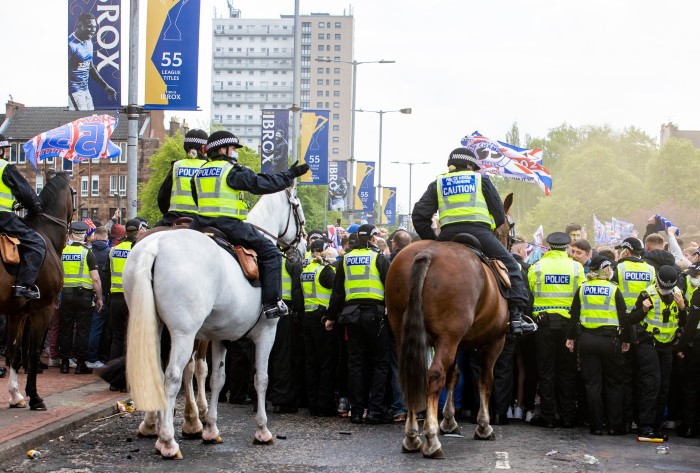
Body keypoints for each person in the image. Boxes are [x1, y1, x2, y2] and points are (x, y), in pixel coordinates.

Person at [411, 147, 536, 335]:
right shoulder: (481, 179)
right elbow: (498, 212)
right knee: (513, 267)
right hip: (480, 233)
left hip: (448, 236)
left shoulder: (438, 183)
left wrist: (434, 241)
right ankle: (517, 318)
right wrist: (491, 226)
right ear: (470, 165)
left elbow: (419, 215)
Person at [192, 130, 309, 319]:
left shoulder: (199, 172)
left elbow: (197, 198)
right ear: (223, 149)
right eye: (233, 148)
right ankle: (272, 304)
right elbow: (260, 184)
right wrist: (290, 175)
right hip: (228, 225)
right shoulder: (231, 171)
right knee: (271, 253)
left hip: (199, 224)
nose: (235, 152)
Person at [324, 224, 392, 424]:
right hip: (376, 316)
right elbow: (390, 287)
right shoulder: (379, 258)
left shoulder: (345, 259)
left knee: (355, 364)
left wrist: (330, 316)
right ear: (372, 239)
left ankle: (356, 411)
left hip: (351, 316)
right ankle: (375, 411)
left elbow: (337, 292)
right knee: (380, 362)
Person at [566, 256, 630, 435]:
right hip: (610, 341)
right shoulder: (613, 289)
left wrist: (570, 337)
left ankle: (596, 426)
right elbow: (623, 318)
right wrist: (626, 339)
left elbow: (574, 315)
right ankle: (614, 426)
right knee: (614, 383)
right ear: (605, 271)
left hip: (586, 340)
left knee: (592, 384)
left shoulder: (583, 289)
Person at [528, 232, 585, 428]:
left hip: (543, 325)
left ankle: (548, 417)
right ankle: (568, 416)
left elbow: (532, 293)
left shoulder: (537, 267)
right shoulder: (577, 268)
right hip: (568, 327)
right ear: (567, 247)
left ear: (549, 246)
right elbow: (581, 297)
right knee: (567, 371)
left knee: (546, 371)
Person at [629, 265, 687, 438]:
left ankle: (656, 425)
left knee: (664, 386)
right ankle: (645, 425)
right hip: (648, 342)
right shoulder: (647, 293)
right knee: (651, 383)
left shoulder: (678, 294)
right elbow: (632, 318)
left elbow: (683, 322)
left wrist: (683, 308)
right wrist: (644, 310)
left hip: (667, 345)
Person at [612, 236, 656, 432]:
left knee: (625, 375)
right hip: (645, 326)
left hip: (624, 325)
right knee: (643, 376)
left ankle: (626, 420)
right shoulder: (650, 269)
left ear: (627, 251)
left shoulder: (619, 269)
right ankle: (642, 419)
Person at [0, 134, 45, 299]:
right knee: (37, 244)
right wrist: (36, 207)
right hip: (3, 220)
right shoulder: (5, 167)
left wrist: (13, 205)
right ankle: (23, 285)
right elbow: (25, 192)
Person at [104, 219, 147, 384]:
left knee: (116, 338)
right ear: (138, 232)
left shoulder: (113, 250)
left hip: (115, 298)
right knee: (130, 339)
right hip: (132, 299)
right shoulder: (139, 251)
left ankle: (113, 379)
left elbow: (106, 275)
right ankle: (126, 379)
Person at [58, 221, 103, 375]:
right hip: (84, 296)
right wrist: (100, 298)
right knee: (82, 330)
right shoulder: (88, 253)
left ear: (71, 234)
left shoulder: (62, 252)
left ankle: (64, 363)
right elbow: (95, 279)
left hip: (66, 295)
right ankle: (80, 364)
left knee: (65, 330)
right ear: (84, 235)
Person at [300, 239, 338, 416]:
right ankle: (324, 405)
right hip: (323, 321)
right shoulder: (325, 271)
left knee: (311, 363)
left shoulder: (306, 270)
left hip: (308, 319)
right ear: (321, 251)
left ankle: (312, 403)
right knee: (326, 363)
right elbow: (337, 289)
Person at [156, 129, 209, 227]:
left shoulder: (177, 166)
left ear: (185, 147)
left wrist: (166, 214)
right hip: (201, 219)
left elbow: (162, 197)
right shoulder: (209, 167)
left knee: (148, 238)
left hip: (174, 217)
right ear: (204, 148)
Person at [68, 13, 117, 110]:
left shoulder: (89, 42)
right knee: (82, 120)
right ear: (79, 26)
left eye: (94, 27)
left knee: (91, 117)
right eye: (89, 27)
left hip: (86, 90)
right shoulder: (70, 45)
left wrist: (106, 86)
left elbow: (90, 67)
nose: (93, 30)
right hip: (74, 91)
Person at [677, 262, 700, 437]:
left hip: (696, 344)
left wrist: (681, 346)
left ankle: (689, 426)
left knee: (691, 386)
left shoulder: (698, 295)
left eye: (696, 276)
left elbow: (691, 324)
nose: (693, 280)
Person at [86, 226, 111, 368]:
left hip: (86, 293)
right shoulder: (110, 252)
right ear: (106, 238)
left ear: (94, 237)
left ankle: (81, 356)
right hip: (104, 295)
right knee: (98, 328)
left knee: (85, 328)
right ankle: (93, 357)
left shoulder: (88, 252)